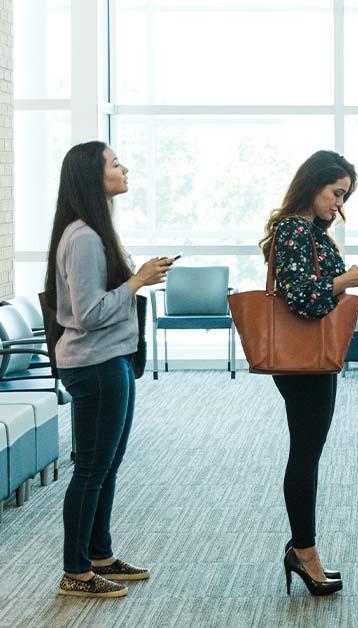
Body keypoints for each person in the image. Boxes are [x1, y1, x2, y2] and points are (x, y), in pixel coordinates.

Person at [48, 142, 172, 599]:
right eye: (115, 163)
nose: (125, 168)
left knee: (108, 465)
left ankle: (99, 555)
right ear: (92, 177)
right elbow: (87, 313)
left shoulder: (97, 230)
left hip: (112, 358)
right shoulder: (82, 237)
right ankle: (75, 572)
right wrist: (136, 281)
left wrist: (135, 278)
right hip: (94, 364)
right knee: (91, 469)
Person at [259, 150, 358, 596]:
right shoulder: (294, 229)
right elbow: (303, 298)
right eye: (336, 193)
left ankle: (304, 548)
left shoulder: (307, 231)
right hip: (302, 361)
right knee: (305, 455)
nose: (339, 204)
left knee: (308, 452)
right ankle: (304, 552)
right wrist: (344, 281)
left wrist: (346, 276)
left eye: (344, 195)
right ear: (313, 185)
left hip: (311, 359)